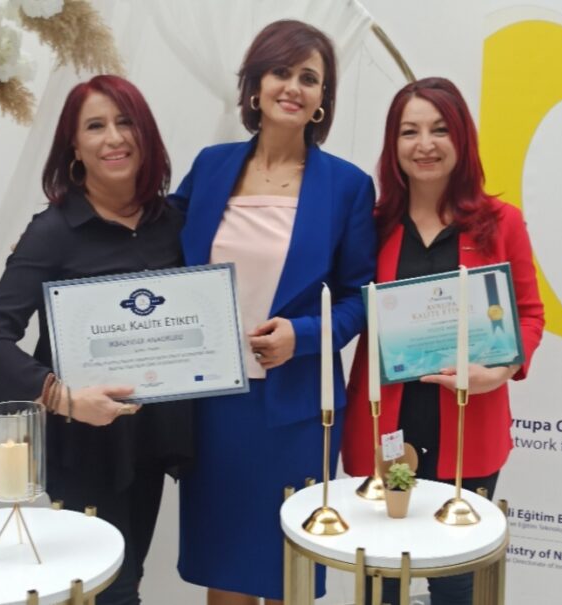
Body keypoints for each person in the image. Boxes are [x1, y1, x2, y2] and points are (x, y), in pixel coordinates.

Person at [0, 75, 192, 605]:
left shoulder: (172, 222)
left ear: (146, 133)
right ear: (74, 148)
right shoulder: (53, 231)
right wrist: (64, 398)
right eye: (95, 126)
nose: (114, 138)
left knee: (129, 576)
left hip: (150, 439)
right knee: (110, 592)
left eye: (125, 122)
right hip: (84, 444)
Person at [172, 19, 376, 605]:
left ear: (322, 99)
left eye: (309, 78)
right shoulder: (211, 166)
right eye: (281, 72)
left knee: (290, 572)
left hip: (295, 410)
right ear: (255, 86)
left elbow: (361, 298)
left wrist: (303, 335)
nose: (293, 86)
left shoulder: (347, 186)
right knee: (226, 569)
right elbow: (153, 246)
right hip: (214, 405)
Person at [342, 77, 546, 605]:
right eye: (409, 131)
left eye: (439, 130)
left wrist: (498, 372)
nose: (424, 145)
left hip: (467, 424)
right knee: (382, 575)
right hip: (387, 425)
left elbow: (529, 315)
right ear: (393, 144)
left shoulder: (501, 223)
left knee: (457, 580)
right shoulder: (372, 225)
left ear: (462, 138)